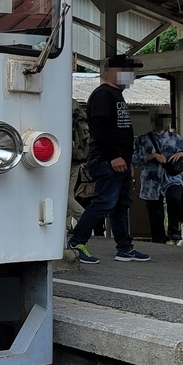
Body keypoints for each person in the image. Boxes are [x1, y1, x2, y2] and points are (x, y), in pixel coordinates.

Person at [66, 54, 151, 263]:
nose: (131, 76)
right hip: (106, 160)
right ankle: (77, 242)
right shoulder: (103, 94)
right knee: (103, 202)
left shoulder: (116, 95)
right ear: (113, 72)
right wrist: (114, 157)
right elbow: (99, 129)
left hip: (120, 162)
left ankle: (124, 247)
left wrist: (127, 161)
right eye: (127, 71)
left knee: (120, 204)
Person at [132, 113, 183, 244]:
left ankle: (174, 230)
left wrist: (181, 154)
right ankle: (159, 243)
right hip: (151, 182)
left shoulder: (176, 138)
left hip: (172, 178)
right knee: (155, 215)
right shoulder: (143, 139)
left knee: (175, 198)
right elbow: (134, 160)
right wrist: (152, 156)